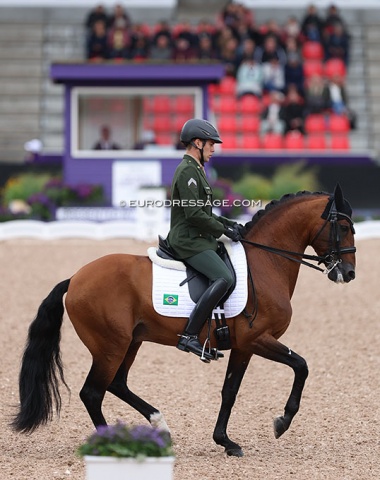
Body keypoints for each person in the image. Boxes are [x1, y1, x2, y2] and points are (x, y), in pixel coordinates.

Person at [166, 119, 243, 362]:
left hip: (199, 236)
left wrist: (229, 225)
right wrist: (223, 230)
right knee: (225, 277)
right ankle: (189, 334)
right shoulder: (188, 170)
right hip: (188, 240)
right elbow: (194, 214)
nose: (213, 148)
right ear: (197, 143)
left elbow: (205, 212)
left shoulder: (197, 169)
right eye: (210, 144)